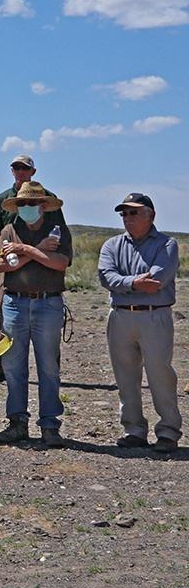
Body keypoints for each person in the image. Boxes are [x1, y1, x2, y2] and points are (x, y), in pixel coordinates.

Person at [0, 180, 73, 448]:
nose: (27, 207)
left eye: (32, 203)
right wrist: (37, 250)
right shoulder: (8, 230)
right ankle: (18, 422)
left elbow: (60, 263)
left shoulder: (58, 231)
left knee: (48, 366)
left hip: (47, 304)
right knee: (13, 366)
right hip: (15, 303)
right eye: (22, 203)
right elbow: (3, 266)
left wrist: (25, 249)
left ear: (43, 206)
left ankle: (50, 424)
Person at [98, 193, 181, 454]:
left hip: (154, 316)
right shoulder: (111, 245)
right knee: (125, 377)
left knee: (160, 375)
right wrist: (134, 283)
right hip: (120, 316)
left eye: (134, 212)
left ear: (151, 215)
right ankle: (133, 430)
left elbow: (158, 279)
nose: (128, 218)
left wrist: (123, 282)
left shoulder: (167, 244)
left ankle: (168, 431)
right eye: (124, 213)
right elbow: (105, 275)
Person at [0, 155, 63, 382]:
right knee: (6, 315)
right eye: (16, 167)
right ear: (11, 171)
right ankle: (0, 366)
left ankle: (50, 370)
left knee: (48, 326)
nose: (20, 171)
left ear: (33, 171)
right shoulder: (1, 199)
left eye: (24, 168)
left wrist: (29, 249)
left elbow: (57, 230)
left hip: (42, 265)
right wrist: (7, 245)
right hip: (10, 262)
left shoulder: (46, 198)